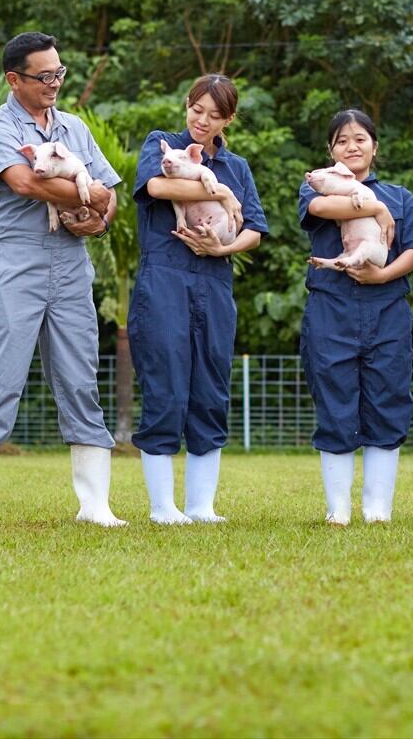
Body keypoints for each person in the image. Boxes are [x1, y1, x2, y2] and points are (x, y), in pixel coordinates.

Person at [0, 32, 125, 529]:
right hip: (15, 261)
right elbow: (25, 182)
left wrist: (99, 218)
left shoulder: (73, 127)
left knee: (80, 378)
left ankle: (95, 506)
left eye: (59, 73)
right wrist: (86, 195)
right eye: (44, 76)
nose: (54, 83)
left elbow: (109, 194)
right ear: (15, 79)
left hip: (71, 263)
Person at [129, 74, 267, 524]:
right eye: (197, 109)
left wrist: (222, 248)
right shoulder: (163, 144)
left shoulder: (238, 166)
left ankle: (201, 505)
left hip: (215, 278)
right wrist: (220, 191)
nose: (202, 120)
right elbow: (156, 188)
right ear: (186, 105)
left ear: (228, 119)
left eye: (214, 114)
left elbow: (254, 230)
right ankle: (162, 506)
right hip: (164, 277)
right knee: (165, 383)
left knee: (210, 387)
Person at [299, 109, 413, 525]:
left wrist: (382, 275)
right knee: (335, 401)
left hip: (387, 310)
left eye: (360, 138)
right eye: (342, 140)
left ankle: (377, 507)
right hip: (331, 309)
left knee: (388, 400)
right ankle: (338, 508)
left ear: (374, 147)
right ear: (331, 151)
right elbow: (325, 208)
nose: (352, 146)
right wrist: (373, 209)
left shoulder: (400, 197)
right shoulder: (318, 188)